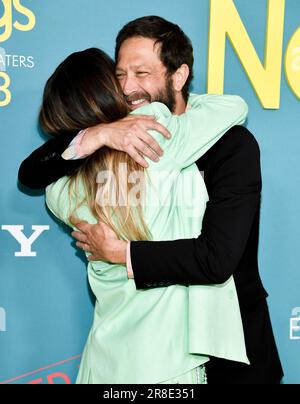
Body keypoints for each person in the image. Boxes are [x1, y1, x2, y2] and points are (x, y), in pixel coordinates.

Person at [18, 16, 283, 384]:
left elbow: (217, 258)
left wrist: (120, 253)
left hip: (229, 349)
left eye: (142, 74)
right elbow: (30, 172)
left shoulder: (229, 145)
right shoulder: (106, 151)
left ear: (178, 76)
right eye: (120, 74)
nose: (127, 88)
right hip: (152, 355)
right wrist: (98, 133)